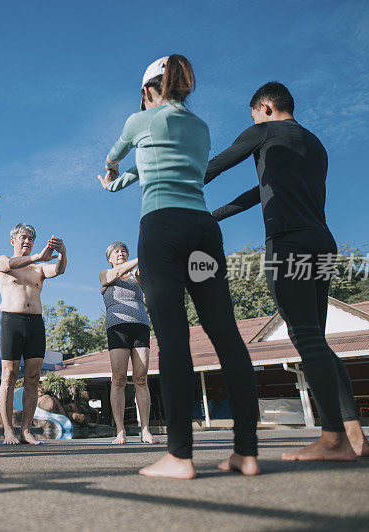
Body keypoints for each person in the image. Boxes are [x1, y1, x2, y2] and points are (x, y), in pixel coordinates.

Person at [98, 55, 260, 479]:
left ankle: (180, 456)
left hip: (162, 232)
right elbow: (157, 164)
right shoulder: (201, 128)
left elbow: (114, 157)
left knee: (172, 338)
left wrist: (111, 173)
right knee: (225, 333)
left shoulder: (139, 120)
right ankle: (246, 451)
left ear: (148, 90)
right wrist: (123, 179)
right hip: (203, 233)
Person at [204, 81, 369, 461]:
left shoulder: (262, 130)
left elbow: (217, 165)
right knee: (318, 340)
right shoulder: (316, 145)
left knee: (307, 339)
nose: (252, 121)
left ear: (264, 107)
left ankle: (332, 440)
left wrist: (173, 186)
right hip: (323, 242)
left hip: (288, 243)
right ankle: (355, 435)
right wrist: (216, 214)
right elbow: (261, 190)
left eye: (252, 114)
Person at [0, 223, 66, 445]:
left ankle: (26, 431)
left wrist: (62, 252)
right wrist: (38, 256)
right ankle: (8, 430)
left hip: (35, 323)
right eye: (24, 237)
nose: (27, 241)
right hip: (11, 321)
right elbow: (8, 264)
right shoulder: (3, 260)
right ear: (13, 240)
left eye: (31, 239)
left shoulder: (40, 268)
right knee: (8, 376)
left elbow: (58, 270)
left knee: (33, 378)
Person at [100, 242, 158, 444]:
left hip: (140, 325)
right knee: (119, 379)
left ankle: (145, 431)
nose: (120, 253)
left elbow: (150, 284)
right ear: (109, 258)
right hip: (117, 327)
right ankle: (120, 431)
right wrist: (141, 256)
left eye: (123, 250)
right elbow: (118, 272)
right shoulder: (105, 273)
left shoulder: (136, 275)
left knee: (141, 379)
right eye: (116, 251)